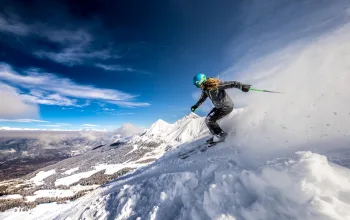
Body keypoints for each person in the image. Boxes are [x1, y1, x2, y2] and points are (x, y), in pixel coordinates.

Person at [191, 73, 251, 143]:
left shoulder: (216, 85)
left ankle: (220, 135)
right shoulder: (205, 90)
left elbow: (232, 83)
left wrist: (242, 86)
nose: (197, 87)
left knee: (209, 120)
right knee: (208, 120)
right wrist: (196, 106)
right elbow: (202, 99)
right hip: (219, 107)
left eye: (196, 84)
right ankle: (218, 134)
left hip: (226, 106)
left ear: (200, 82)